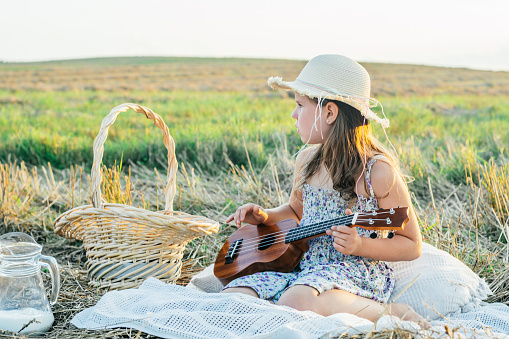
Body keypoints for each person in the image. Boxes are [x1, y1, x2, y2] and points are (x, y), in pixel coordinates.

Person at [222, 54, 429, 327]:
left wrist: (360, 245)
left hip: (353, 272)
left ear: (329, 112)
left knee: (296, 303)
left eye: (299, 105)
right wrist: (264, 216)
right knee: (235, 297)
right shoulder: (306, 161)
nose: (293, 114)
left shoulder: (377, 172)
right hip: (303, 265)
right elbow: (297, 211)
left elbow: (411, 244)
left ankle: (390, 313)